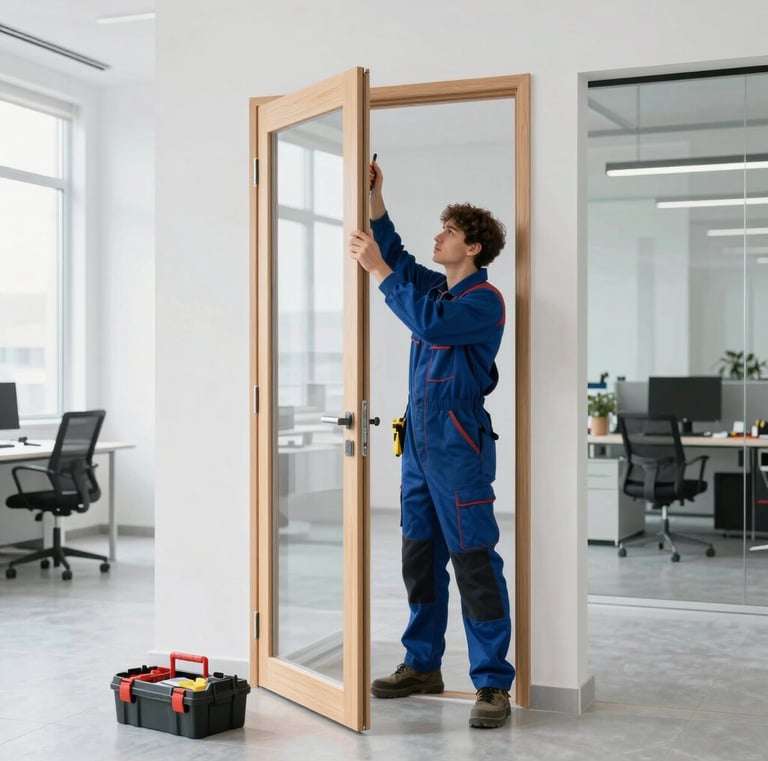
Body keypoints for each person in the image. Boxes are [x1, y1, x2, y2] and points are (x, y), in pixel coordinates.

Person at [348, 159, 515, 729]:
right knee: (419, 561)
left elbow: (429, 325)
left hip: (459, 447)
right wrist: (377, 199)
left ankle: (492, 683)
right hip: (417, 446)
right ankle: (422, 664)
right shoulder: (436, 287)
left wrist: (379, 274)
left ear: (471, 247)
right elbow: (393, 254)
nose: (437, 237)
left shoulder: (482, 301)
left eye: (447, 231)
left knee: (473, 562)